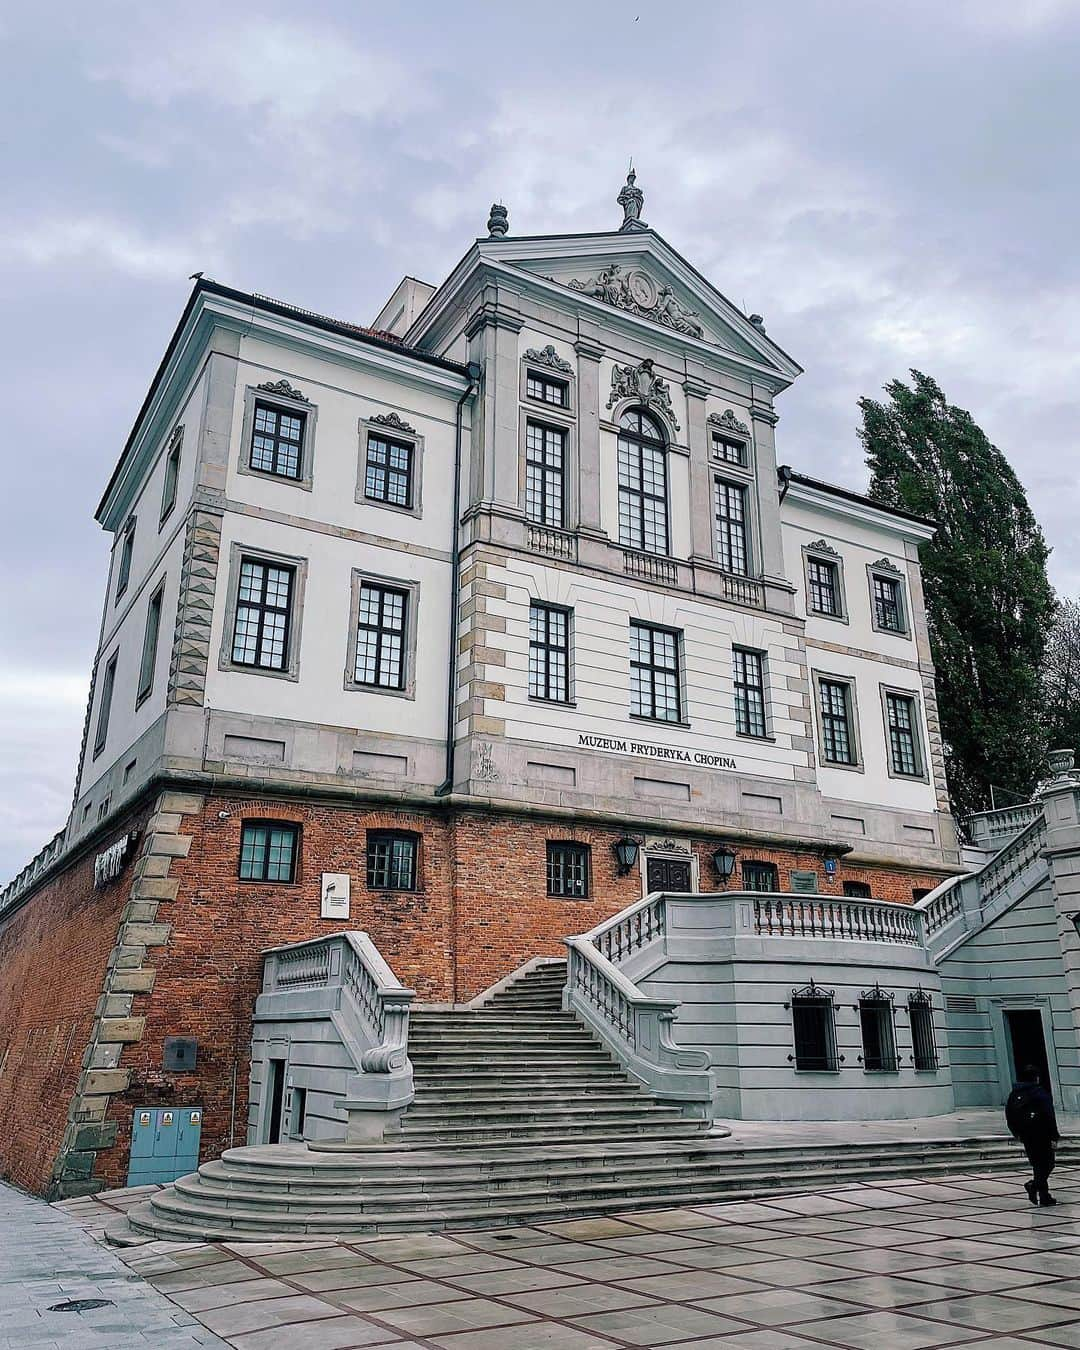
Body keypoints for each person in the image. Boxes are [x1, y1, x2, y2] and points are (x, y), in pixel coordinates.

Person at [1005, 1065, 1060, 1206]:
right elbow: (1049, 1115)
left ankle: (1044, 1195)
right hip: (1042, 1134)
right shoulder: (1039, 1093)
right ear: (1036, 1078)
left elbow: (1009, 1114)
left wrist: (1016, 1133)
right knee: (1048, 1164)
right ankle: (1034, 1185)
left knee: (1037, 1165)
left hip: (1026, 1135)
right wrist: (1054, 1136)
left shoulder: (1014, 1094)